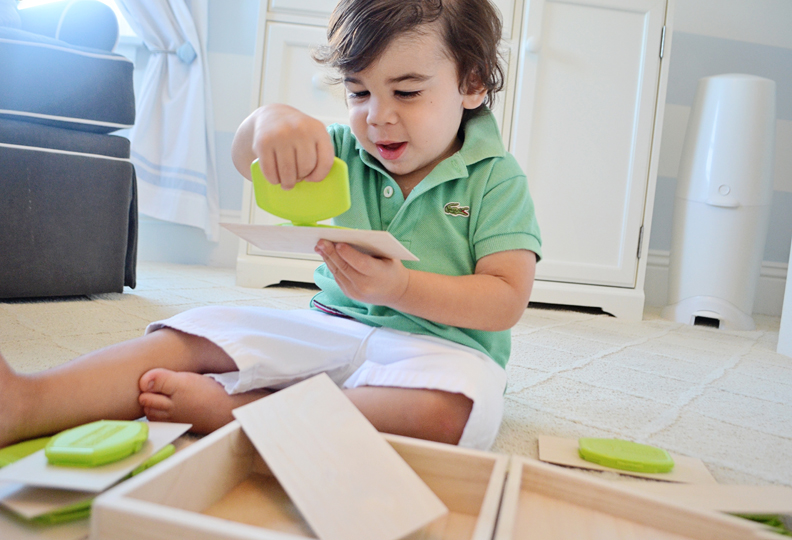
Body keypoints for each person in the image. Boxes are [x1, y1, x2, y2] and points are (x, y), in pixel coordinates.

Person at [0, 0, 541, 451]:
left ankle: (244, 414)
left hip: (441, 353)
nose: (378, 116)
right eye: (358, 92)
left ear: (471, 85)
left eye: (406, 92)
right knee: (192, 329)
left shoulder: (496, 178)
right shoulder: (346, 148)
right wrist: (271, 121)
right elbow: (246, 160)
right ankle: (29, 402)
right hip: (330, 327)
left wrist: (401, 287)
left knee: (455, 412)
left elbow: (504, 300)